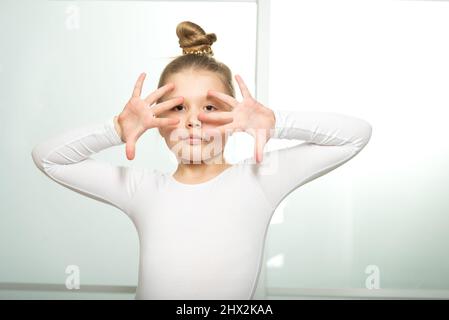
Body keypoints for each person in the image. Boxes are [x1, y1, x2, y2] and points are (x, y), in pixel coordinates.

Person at [31, 21, 372, 300]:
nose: (193, 120)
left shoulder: (260, 179)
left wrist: (274, 122)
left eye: (209, 108)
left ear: (235, 117)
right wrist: (117, 129)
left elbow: (355, 135)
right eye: (178, 108)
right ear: (157, 123)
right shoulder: (143, 189)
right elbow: (49, 159)